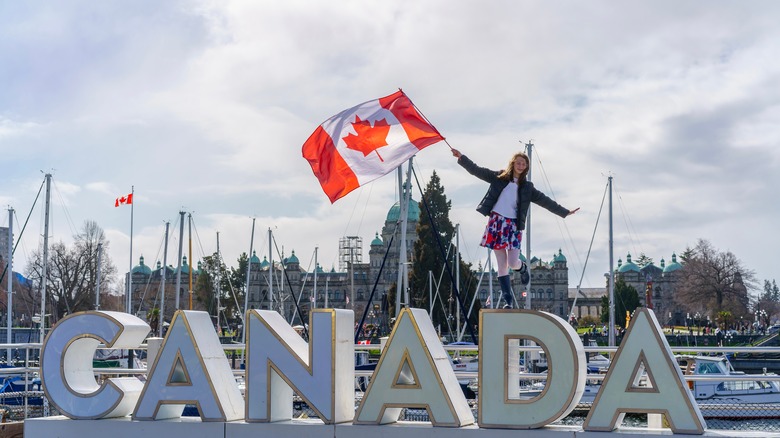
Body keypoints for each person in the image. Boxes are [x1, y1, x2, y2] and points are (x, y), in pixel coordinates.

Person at [451, 148, 579, 309]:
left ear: (526, 167)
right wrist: (461, 158)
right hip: (496, 223)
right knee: (502, 265)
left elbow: (545, 201)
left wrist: (565, 212)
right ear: (513, 163)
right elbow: (477, 171)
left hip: (513, 226)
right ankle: (508, 301)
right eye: (518, 162)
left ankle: (522, 267)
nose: (520, 165)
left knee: (512, 263)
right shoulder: (499, 177)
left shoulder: (527, 187)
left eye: (523, 163)